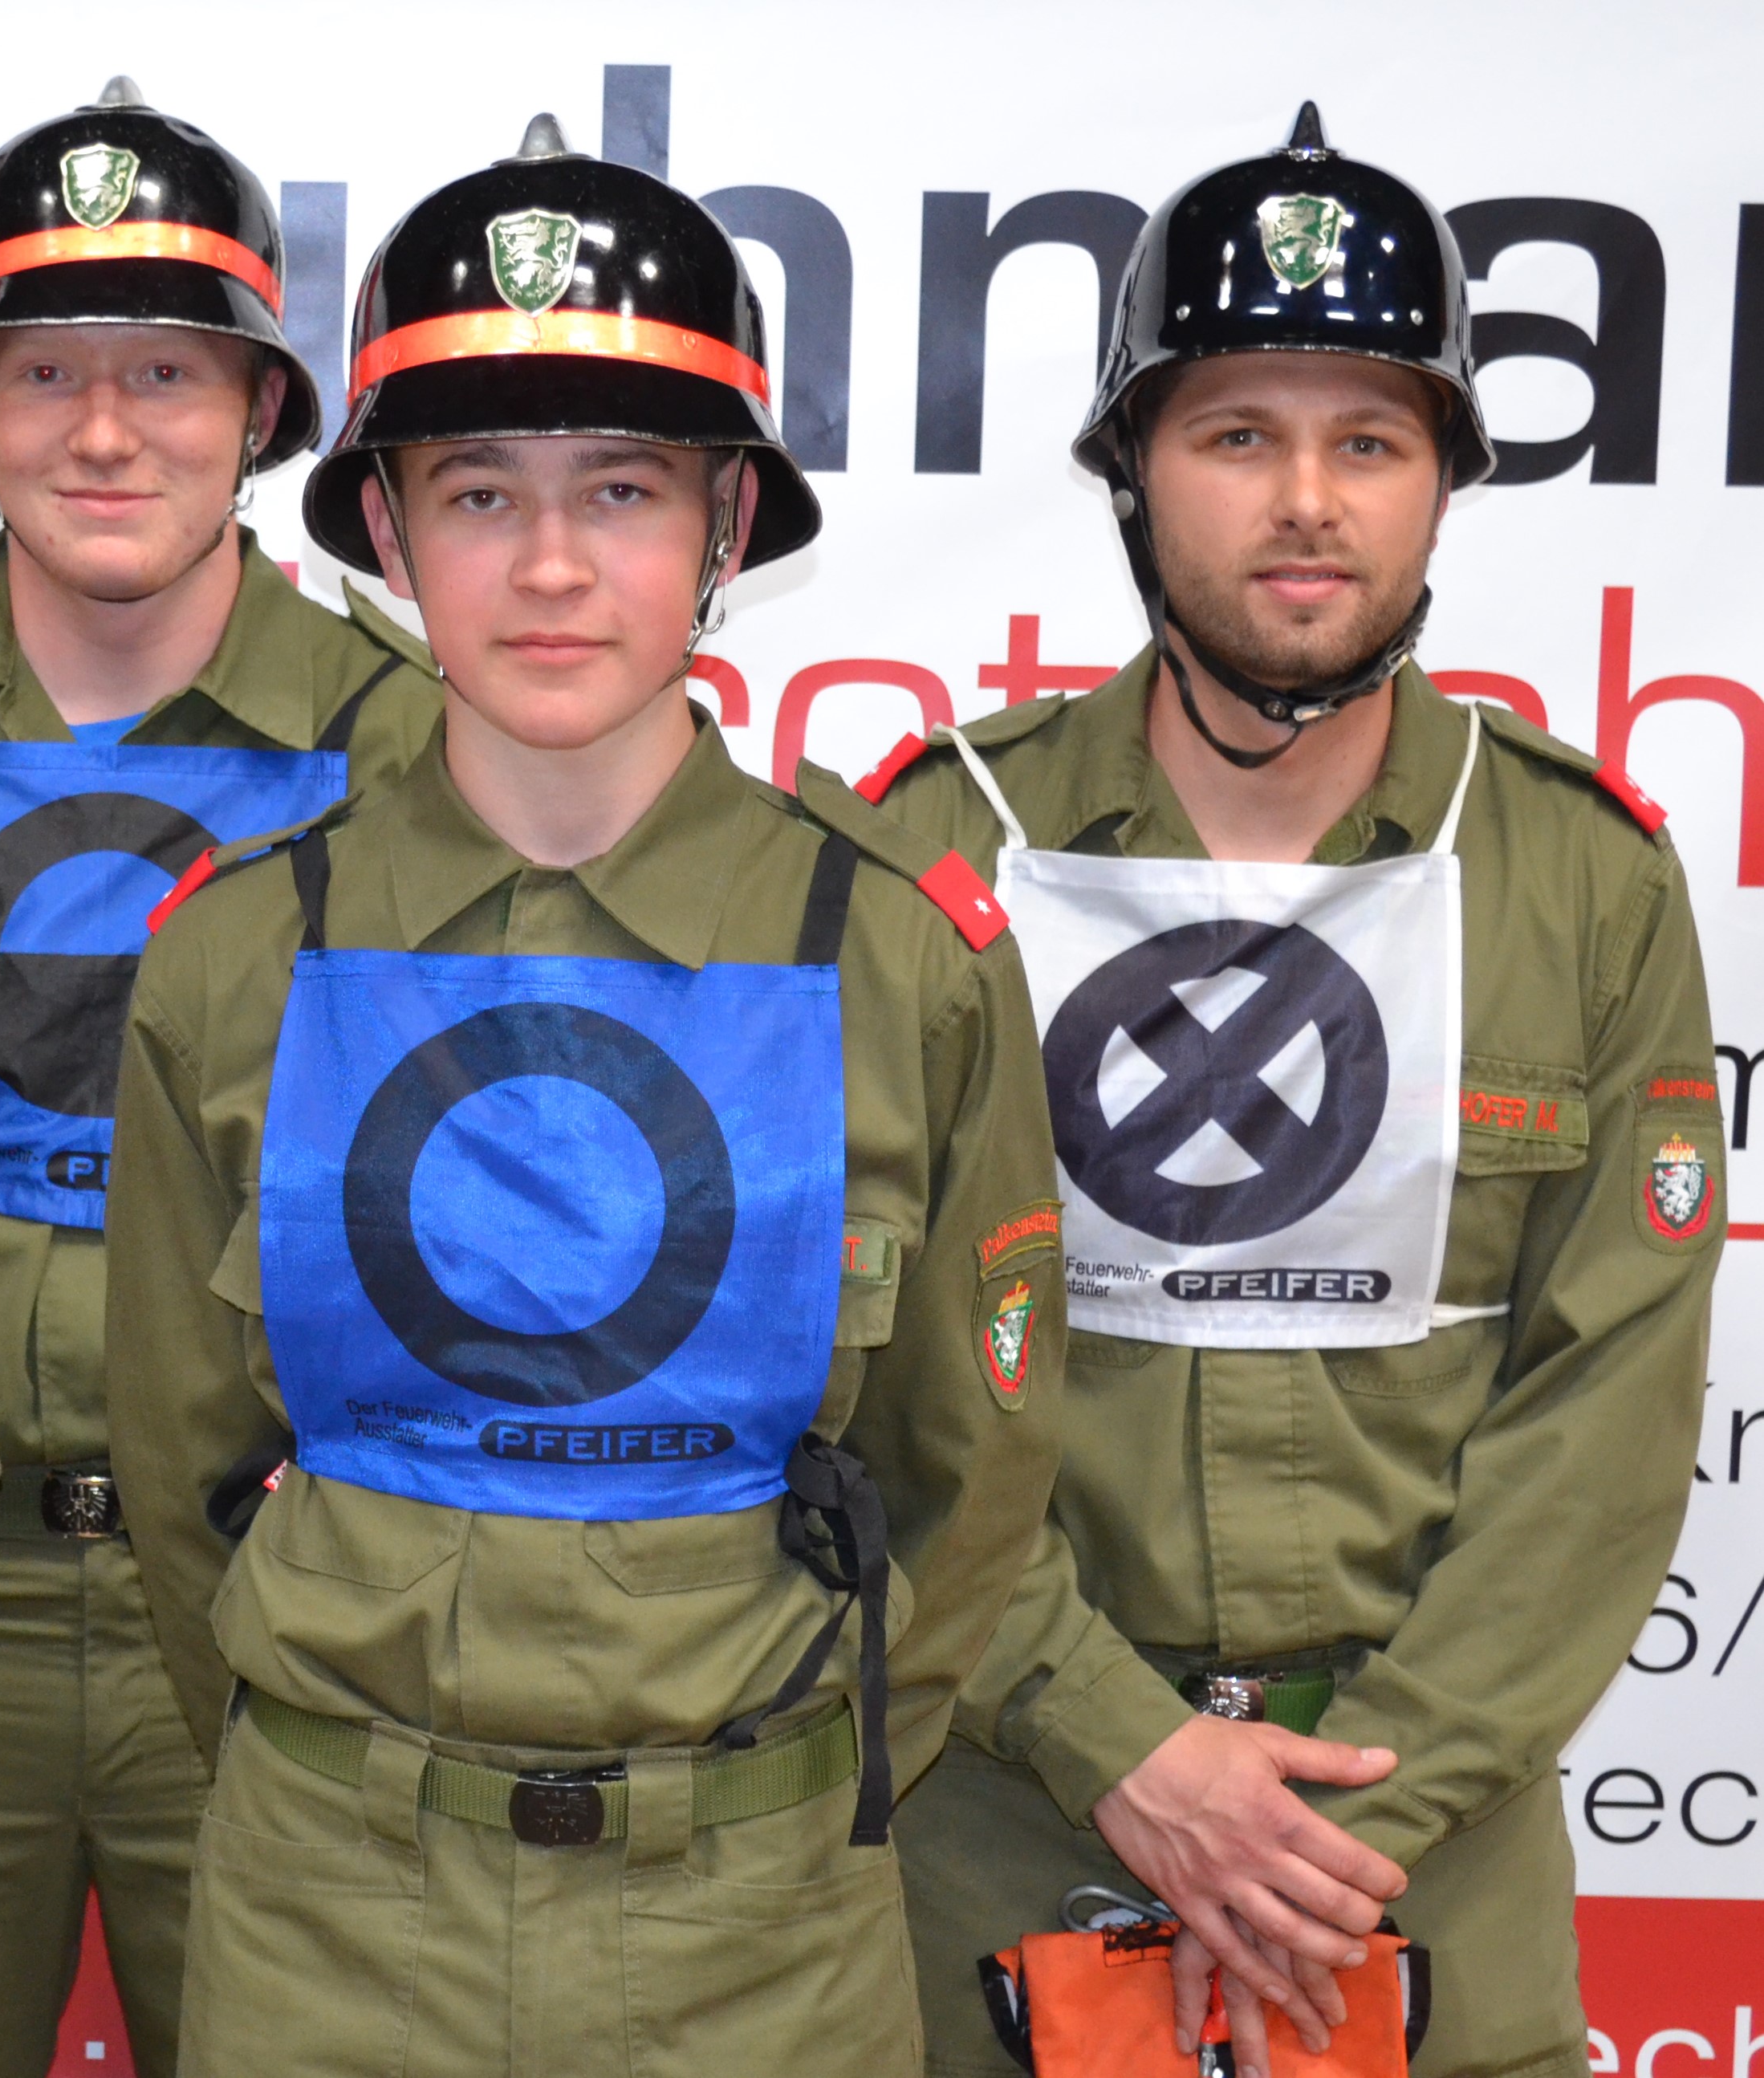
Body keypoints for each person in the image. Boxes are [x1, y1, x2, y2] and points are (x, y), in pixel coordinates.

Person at [100, 116, 1066, 2076]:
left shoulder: (901, 957)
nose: (548, 565)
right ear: (386, 538)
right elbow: (182, 1475)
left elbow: (966, 1492)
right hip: (326, 1922)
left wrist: (776, 1780)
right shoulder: (236, 955)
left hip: (761, 1938)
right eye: (478, 493)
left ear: (726, 525)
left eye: (619, 489)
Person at [865, 107, 1721, 2078]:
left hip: (1413, 1857)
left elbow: (1602, 1413)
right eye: (1237, 434)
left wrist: (1338, 1830)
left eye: (1371, 442)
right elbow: (875, 1388)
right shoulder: (932, 851)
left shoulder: (1582, 876)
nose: (1307, 503)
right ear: (1132, 472)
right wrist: (1121, 1744)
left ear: (1444, 485)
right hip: (1002, 1824)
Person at [0, 77, 434, 2078]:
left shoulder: (407, 749)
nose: (104, 431)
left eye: (165, 371)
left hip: (287, 1608)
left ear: (262, 407)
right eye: (45, 371)